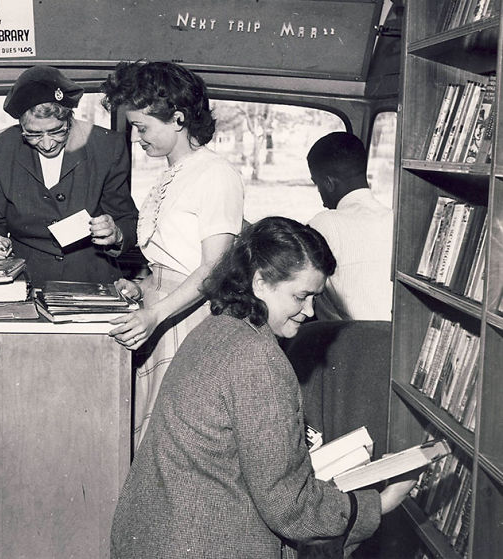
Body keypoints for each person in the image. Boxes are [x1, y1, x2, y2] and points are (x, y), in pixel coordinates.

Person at [110, 217, 415, 558]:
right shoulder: (260, 361)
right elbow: (288, 508)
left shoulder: (218, 327)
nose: (310, 311)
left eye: (315, 297)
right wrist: (377, 504)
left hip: (157, 533)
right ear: (259, 283)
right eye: (301, 296)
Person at [100, 61, 244, 447]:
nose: (137, 136)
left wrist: (156, 312)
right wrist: (141, 286)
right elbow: (171, 257)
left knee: (171, 440)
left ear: (178, 119)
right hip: (162, 311)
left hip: (188, 318)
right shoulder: (172, 173)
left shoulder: (215, 174)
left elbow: (214, 267)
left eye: (142, 127)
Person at [0, 64, 138, 285]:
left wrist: (116, 234)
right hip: (27, 280)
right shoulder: (4, 147)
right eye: (33, 134)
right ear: (21, 125)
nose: (47, 143)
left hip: (92, 278)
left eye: (56, 131)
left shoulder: (106, 146)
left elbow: (126, 218)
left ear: (69, 118)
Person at [306, 131, 394, 321]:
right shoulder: (395, 219)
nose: (320, 193)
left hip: (348, 341)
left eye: (318, 184)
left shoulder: (323, 224)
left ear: (328, 183)